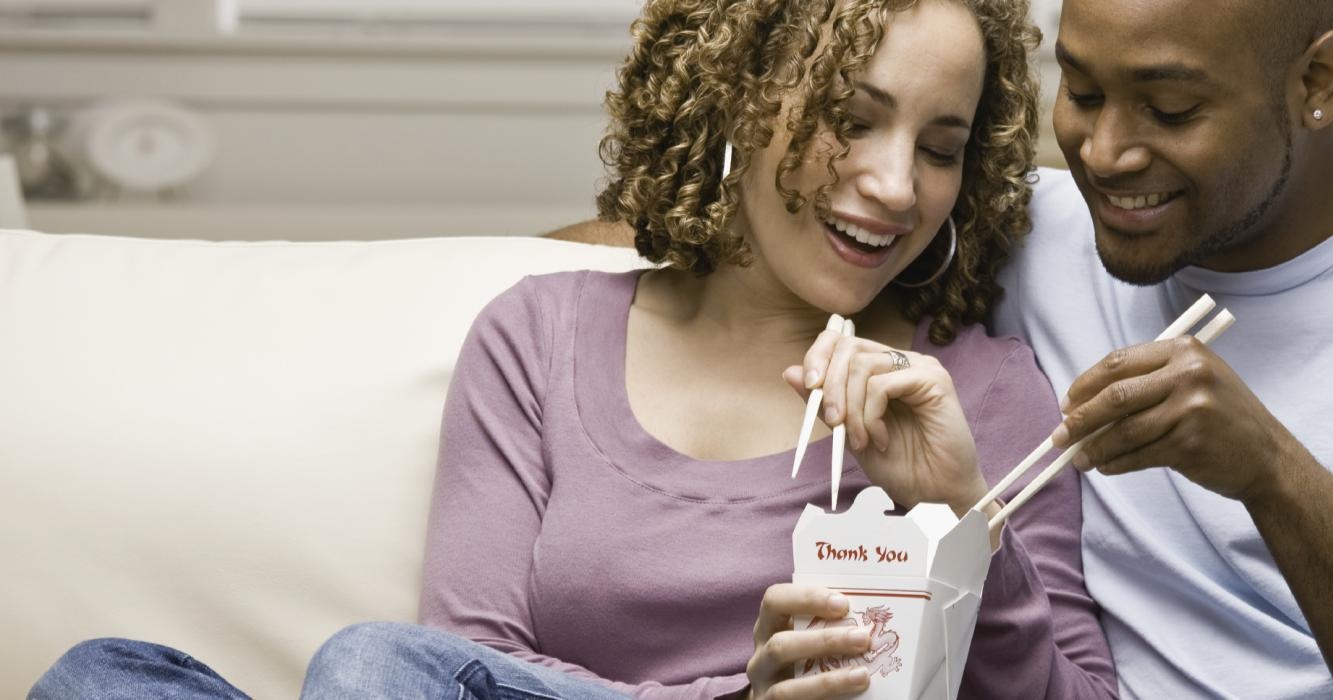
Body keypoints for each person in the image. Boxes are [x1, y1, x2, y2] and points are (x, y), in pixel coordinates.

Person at [30, 1, 1117, 699]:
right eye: (853, 117)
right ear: (735, 92)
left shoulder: (970, 393)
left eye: (940, 148)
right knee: (97, 681)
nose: (894, 186)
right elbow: (466, 664)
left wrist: (967, 522)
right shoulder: (541, 336)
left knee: (364, 666)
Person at [805, 0, 1333, 697]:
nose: (1105, 154)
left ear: (1317, 81)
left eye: (1172, 109)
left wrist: (1270, 473)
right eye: (1084, 90)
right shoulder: (1027, 232)